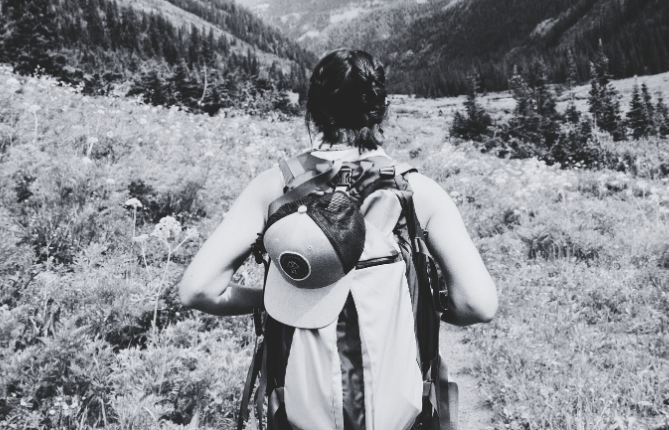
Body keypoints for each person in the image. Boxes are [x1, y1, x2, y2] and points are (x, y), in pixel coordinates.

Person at [179, 49, 496, 428]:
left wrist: (272, 301)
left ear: (311, 110)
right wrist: (427, 302)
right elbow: (478, 305)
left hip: (300, 415)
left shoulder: (275, 188)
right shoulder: (416, 190)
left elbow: (199, 290)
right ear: (382, 110)